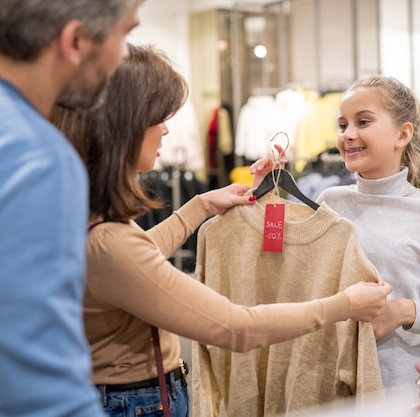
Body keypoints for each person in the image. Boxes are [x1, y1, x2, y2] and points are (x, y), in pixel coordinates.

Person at [49, 43, 392, 417]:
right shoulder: (109, 240)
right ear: (121, 127)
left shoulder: (88, 213)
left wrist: (199, 207)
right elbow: (234, 328)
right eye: (157, 116)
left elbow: (134, 256)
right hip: (134, 402)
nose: (167, 129)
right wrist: (344, 304)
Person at [252, 76, 420, 400]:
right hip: (324, 388)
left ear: (403, 134)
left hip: (398, 397)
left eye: (363, 121)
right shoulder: (330, 200)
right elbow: (287, 276)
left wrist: (406, 311)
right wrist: (263, 194)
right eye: (342, 125)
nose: (348, 135)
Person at [0, 2, 142, 417]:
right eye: (124, 34)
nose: (126, 54)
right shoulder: (29, 155)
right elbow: (38, 395)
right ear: (75, 41)